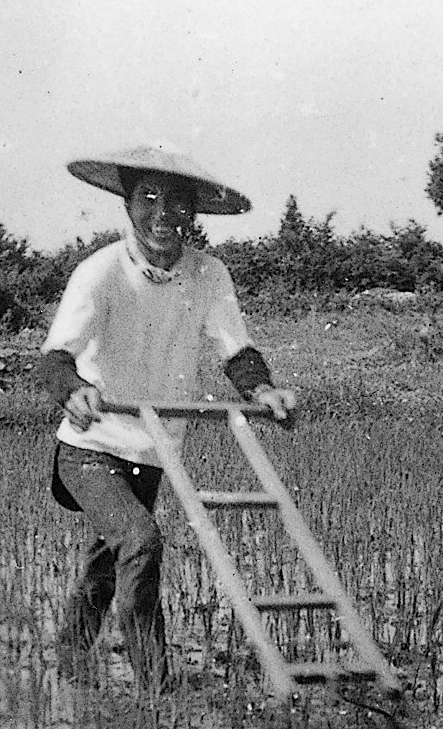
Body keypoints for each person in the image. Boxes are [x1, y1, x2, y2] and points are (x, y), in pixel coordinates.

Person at [38, 144, 296, 691]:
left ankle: (70, 664)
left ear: (193, 214)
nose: (163, 214)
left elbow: (235, 348)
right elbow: (57, 357)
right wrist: (76, 391)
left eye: (177, 203)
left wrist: (264, 389)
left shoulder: (208, 274)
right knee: (141, 542)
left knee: (110, 560)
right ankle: (156, 689)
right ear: (127, 205)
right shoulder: (101, 271)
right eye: (148, 198)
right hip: (91, 443)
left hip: (154, 444)